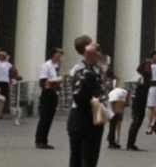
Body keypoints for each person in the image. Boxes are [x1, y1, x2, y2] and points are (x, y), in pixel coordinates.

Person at [67, 36, 106, 167]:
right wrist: (97, 99)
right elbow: (79, 96)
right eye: (96, 48)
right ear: (87, 51)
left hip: (91, 117)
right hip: (84, 116)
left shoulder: (98, 68)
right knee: (83, 159)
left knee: (88, 159)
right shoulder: (80, 69)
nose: (99, 51)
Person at [36, 48, 64, 149]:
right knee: (45, 117)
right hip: (47, 93)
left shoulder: (55, 66)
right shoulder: (46, 66)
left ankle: (44, 139)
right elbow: (44, 82)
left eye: (60, 56)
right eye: (58, 55)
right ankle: (40, 140)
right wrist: (57, 80)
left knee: (49, 118)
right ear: (53, 55)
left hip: (53, 93)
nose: (59, 58)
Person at [126, 60, 152, 151]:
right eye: (149, 66)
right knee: (137, 120)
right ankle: (130, 143)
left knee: (137, 120)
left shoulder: (144, 75)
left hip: (140, 99)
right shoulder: (144, 75)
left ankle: (131, 142)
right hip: (140, 99)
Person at [107, 78, 129, 149]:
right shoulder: (124, 91)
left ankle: (111, 138)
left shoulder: (113, 89)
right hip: (117, 101)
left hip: (112, 99)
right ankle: (113, 140)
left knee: (112, 122)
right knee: (115, 120)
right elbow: (124, 101)